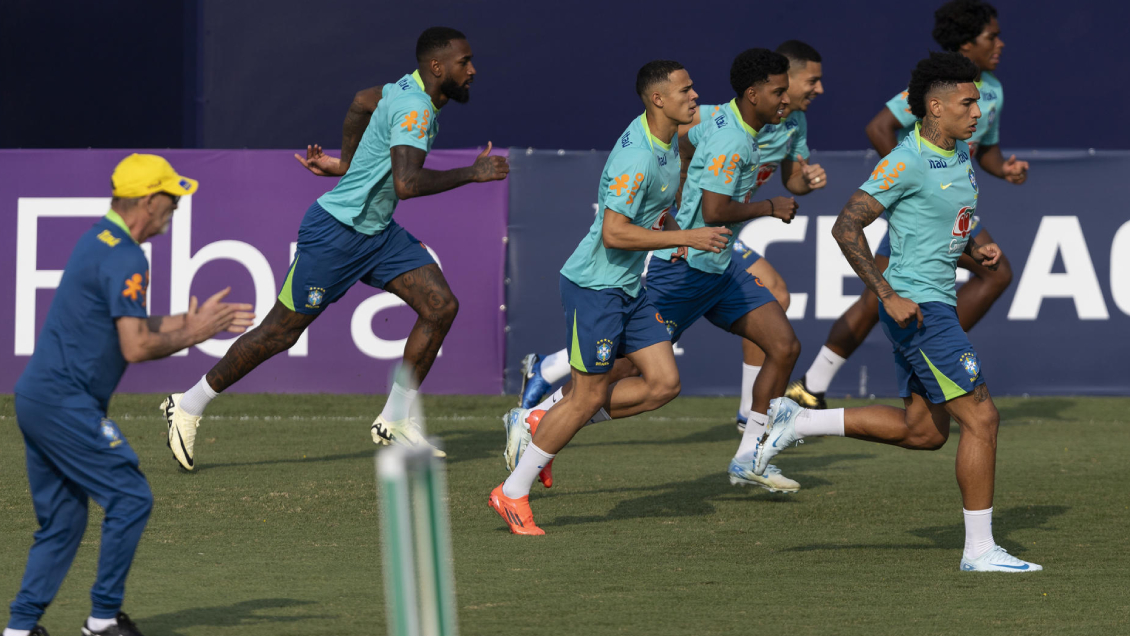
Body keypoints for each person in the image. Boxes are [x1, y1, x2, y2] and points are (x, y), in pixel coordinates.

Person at [159, 26, 509, 469]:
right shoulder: (416, 109)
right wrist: (472, 173)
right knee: (280, 333)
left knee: (440, 305)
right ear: (438, 67)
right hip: (335, 235)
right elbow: (407, 184)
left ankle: (396, 417)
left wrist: (347, 163)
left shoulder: (405, 86)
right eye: (465, 62)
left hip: (377, 233)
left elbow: (361, 102)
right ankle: (187, 404)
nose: (472, 70)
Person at [753, 53, 1041, 572]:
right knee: (982, 418)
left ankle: (801, 421)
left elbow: (946, 221)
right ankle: (979, 551)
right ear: (935, 107)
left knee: (924, 432)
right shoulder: (905, 159)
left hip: (935, 302)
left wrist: (978, 252)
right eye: (968, 102)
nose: (979, 110)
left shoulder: (957, 153)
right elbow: (846, 227)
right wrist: (886, 294)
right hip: (920, 310)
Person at [504, 49, 803, 494]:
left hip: (716, 265)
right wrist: (768, 207)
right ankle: (541, 416)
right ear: (754, 93)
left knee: (783, 345)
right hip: (682, 271)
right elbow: (713, 208)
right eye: (781, 90)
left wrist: (678, 212)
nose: (790, 97)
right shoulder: (720, 140)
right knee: (620, 373)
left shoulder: (693, 127)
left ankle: (750, 456)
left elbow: (682, 159)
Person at [5, 154, 254, 636]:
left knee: (62, 523)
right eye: (172, 198)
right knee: (131, 496)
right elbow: (136, 346)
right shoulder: (125, 256)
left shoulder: (100, 238)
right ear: (148, 200)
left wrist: (190, 324)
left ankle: (19, 630)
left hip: (38, 398)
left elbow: (130, 325)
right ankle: (102, 621)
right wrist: (192, 333)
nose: (177, 206)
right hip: (63, 403)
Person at [488, 60, 729, 535]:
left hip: (628, 290)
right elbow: (616, 233)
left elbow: (653, 212)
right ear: (658, 99)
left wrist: (677, 234)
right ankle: (512, 492)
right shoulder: (638, 156)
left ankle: (545, 419)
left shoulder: (667, 142)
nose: (695, 95)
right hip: (594, 288)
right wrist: (692, 237)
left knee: (663, 383)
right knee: (587, 396)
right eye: (686, 89)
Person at [788, 0, 1025, 408]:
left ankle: (925, 356)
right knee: (878, 298)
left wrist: (1003, 168)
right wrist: (909, 189)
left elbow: (986, 149)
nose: (1000, 43)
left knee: (993, 274)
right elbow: (879, 126)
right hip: (922, 204)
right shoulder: (941, 91)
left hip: (951, 210)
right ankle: (811, 386)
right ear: (967, 45)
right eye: (992, 36)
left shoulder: (994, 92)